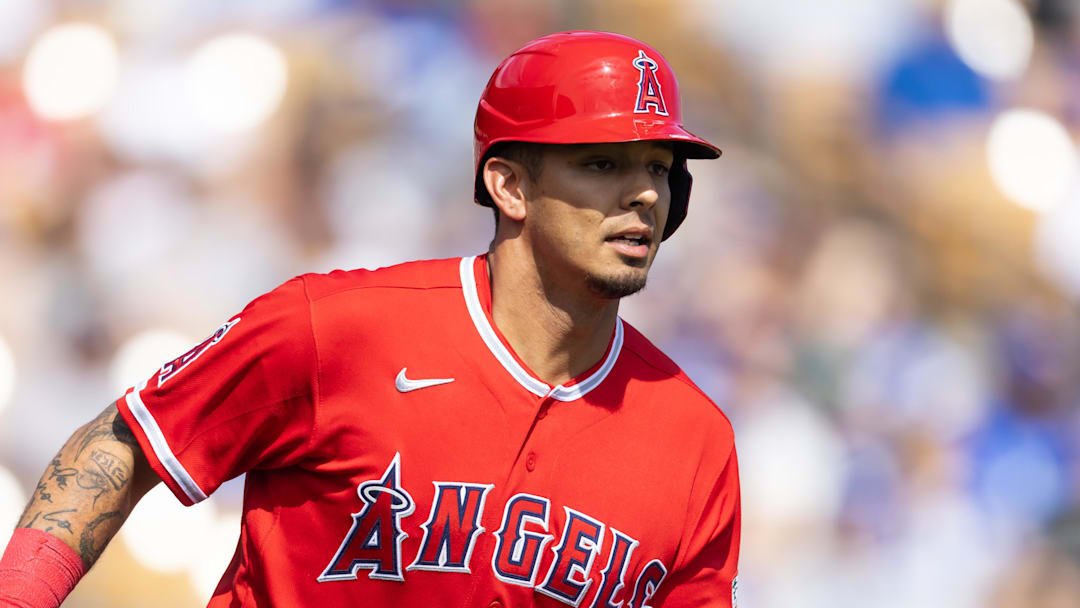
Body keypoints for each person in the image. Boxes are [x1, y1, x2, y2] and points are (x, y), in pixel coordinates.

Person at [0, 30, 740, 607]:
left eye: (657, 167)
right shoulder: (339, 328)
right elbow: (127, 444)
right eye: (605, 164)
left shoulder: (695, 441)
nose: (644, 193)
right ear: (509, 185)